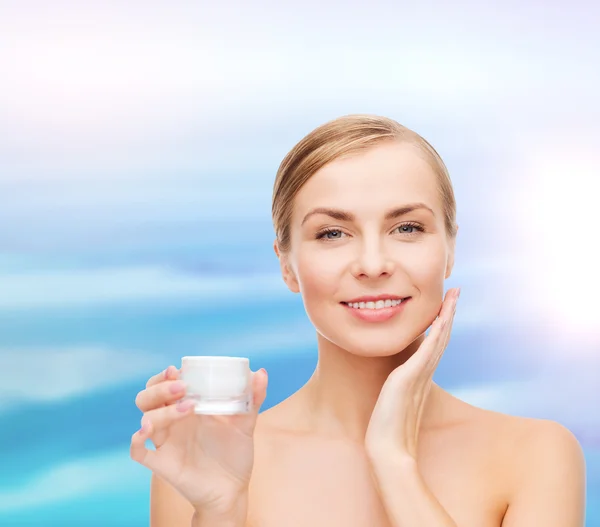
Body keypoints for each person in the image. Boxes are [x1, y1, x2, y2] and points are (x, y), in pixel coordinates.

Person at [130, 115, 586, 527]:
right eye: (332, 233)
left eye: (407, 228)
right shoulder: (202, 460)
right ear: (287, 265)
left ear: (450, 249)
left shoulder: (536, 455)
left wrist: (393, 461)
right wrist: (219, 512)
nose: (372, 264)